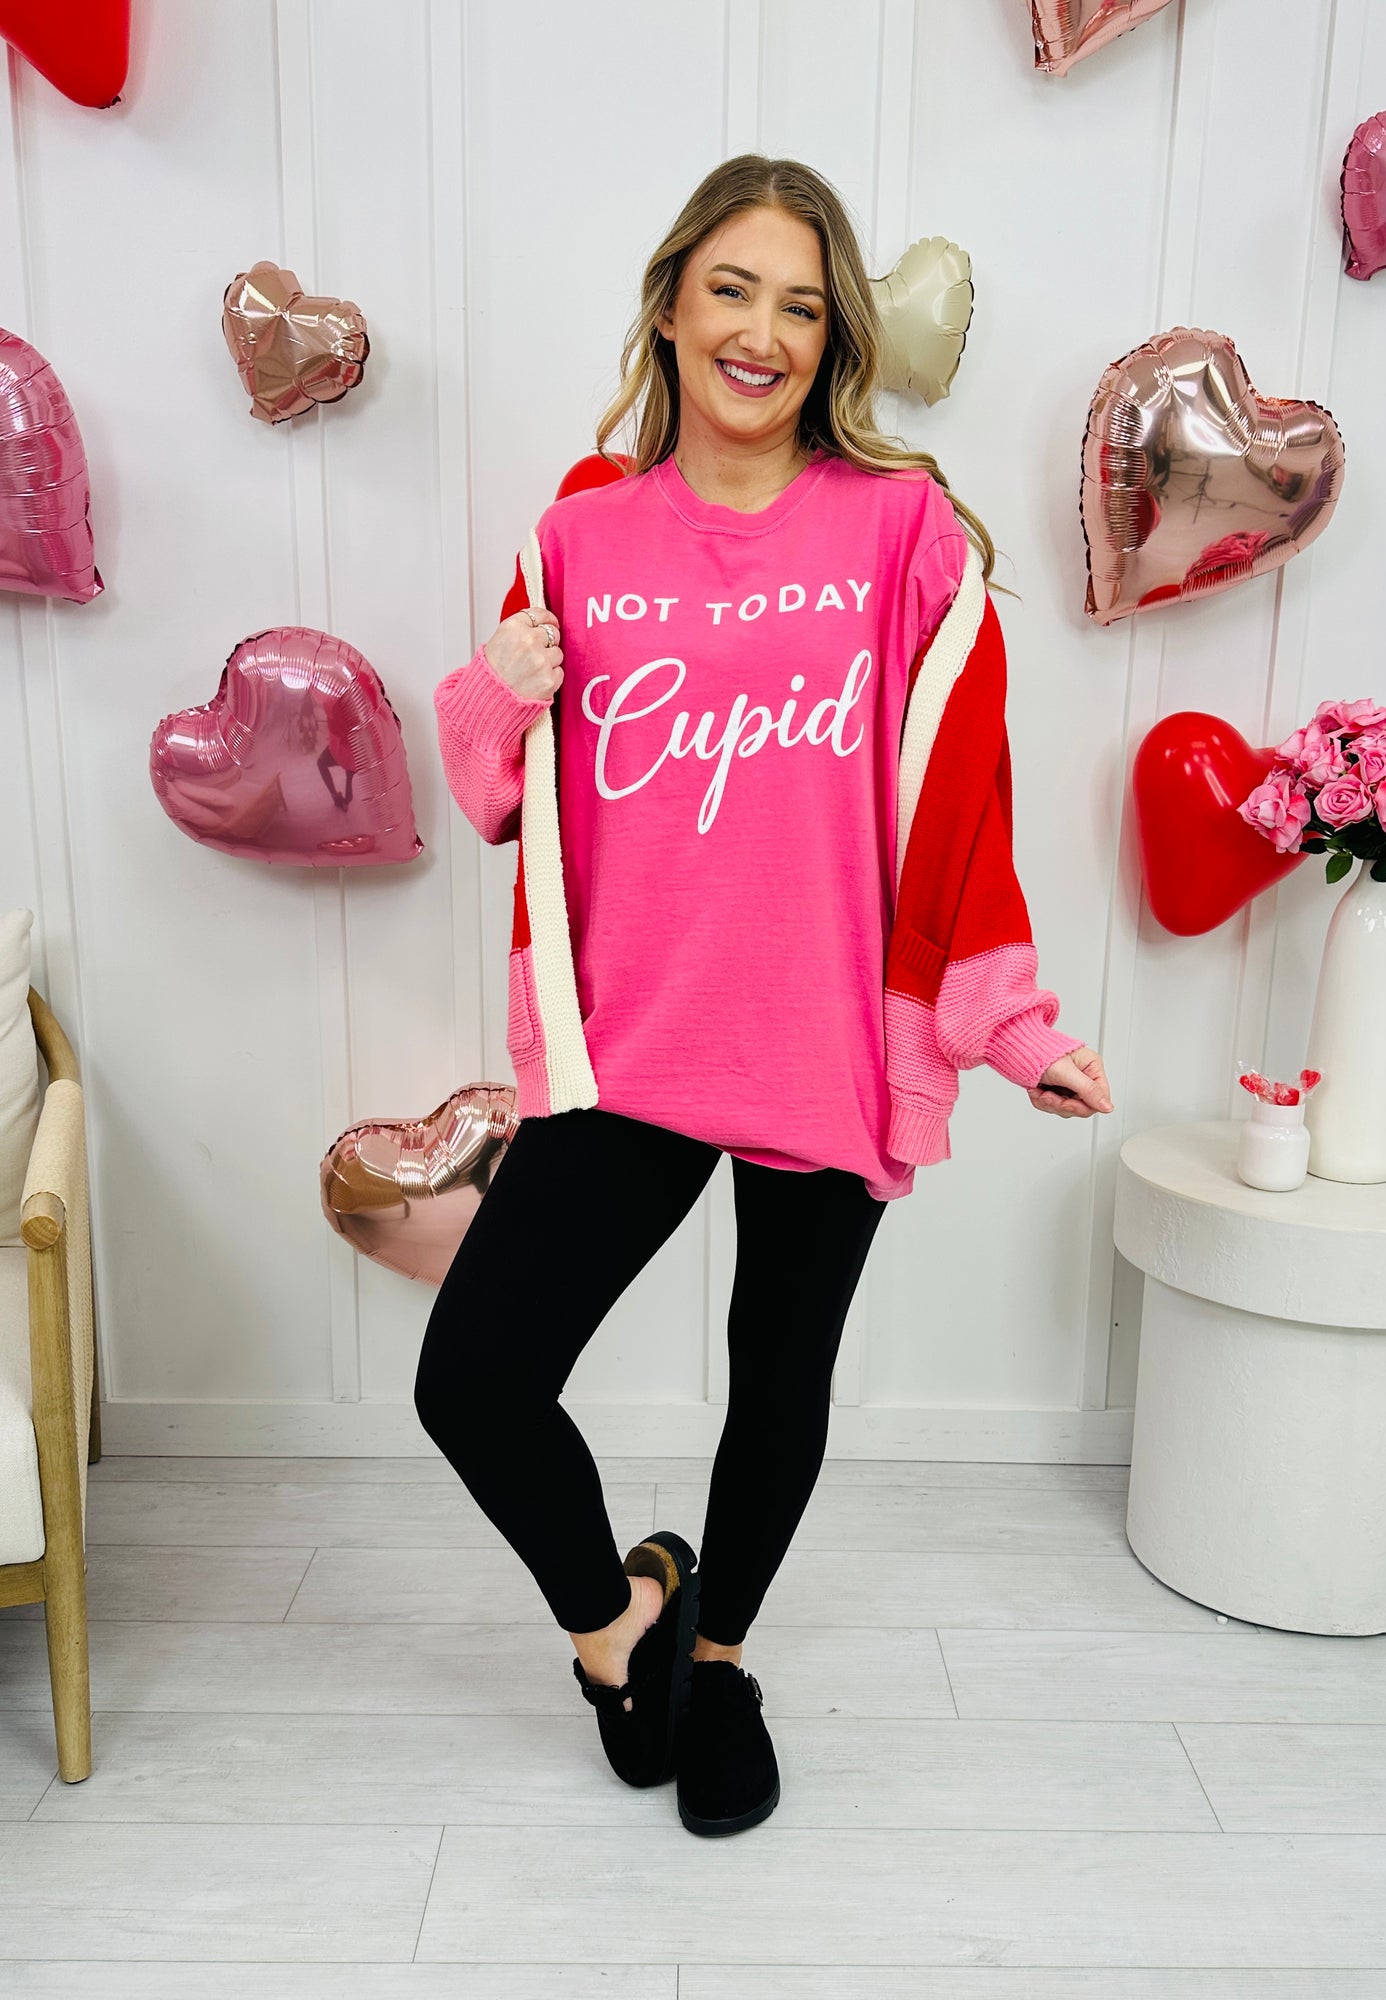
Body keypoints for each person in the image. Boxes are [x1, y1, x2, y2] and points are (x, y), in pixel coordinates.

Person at [415, 153, 1113, 1840]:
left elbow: (966, 794)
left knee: (776, 1380)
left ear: (833, 339)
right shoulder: (578, 534)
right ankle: (619, 1631)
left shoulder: (898, 529)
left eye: (803, 306)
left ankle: (717, 1658)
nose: (764, 332)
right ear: (672, 304)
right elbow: (498, 794)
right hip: (637, 1040)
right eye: (733, 289)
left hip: (825, 1039)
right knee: (475, 1379)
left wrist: (1010, 1026)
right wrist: (488, 686)